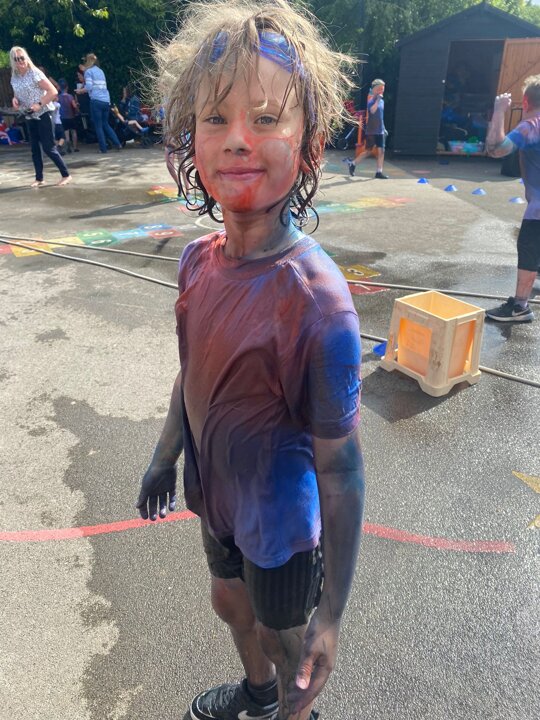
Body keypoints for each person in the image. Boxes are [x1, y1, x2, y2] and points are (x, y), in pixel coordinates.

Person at [136, 3, 365, 720]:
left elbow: (341, 468)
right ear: (190, 136)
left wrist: (332, 614)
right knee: (230, 605)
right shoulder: (196, 262)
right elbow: (193, 371)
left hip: (282, 525)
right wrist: (165, 456)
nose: (237, 138)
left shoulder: (317, 302)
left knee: (284, 636)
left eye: (266, 118)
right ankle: (258, 695)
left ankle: (293, 707)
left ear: (310, 141)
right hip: (217, 497)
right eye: (216, 118)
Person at [485, 77, 540, 323]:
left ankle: (520, 307)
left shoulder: (531, 126)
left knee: (528, 250)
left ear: (525, 102)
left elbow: (496, 148)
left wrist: (498, 111)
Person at [9, 46, 72, 187]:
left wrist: (39, 104)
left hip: (44, 112)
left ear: (26, 58)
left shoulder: (35, 73)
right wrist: (15, 99)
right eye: (16, 59)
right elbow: (17, 93)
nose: (20, 61)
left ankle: (66, 175)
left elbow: (53, 91)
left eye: (22, 58)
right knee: (35, 149)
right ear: (13, 61)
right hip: (29, 115)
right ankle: (39, 178)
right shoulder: (14, 76)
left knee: (48, 147)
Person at [76, 53, 121, 153]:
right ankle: (117, 143)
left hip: (96, 101)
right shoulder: (100, 71)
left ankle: (103, 148)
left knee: (98, 126)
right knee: (105, 124)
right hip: (106, 100)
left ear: (87, 61)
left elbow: (89, 87)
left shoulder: (88, 72)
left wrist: (80, 91)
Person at [351, 79, 388, 179]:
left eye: (382, 89)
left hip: (380, 130)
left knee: (382, 151)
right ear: (374, 89)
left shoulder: (382, 102)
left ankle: (379, 172)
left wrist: (384, 128)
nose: (381, 91)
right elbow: (372, 111)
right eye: (379, 89)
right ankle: (353, 164)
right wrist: (378, 100)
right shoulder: (371, 100)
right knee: (368, 151)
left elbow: (380, 116)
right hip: (372, 131)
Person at [57, 79, 80, 152]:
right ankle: (75, 147)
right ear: (67, 87)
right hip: (71, 116)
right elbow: (74, 106)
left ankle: (68, 145)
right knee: (74, 132)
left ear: (59, 88)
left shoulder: (58, 97)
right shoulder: (70, 96)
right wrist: (77, 108)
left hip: (63, 117)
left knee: (66, 132)